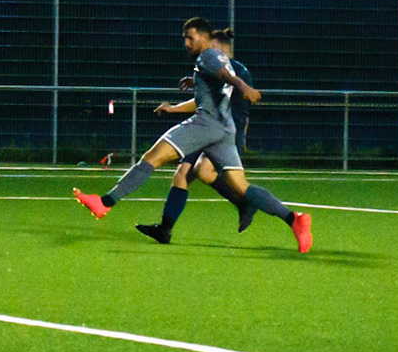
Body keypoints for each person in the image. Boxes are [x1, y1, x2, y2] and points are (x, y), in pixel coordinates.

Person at [74, 17, 311, 253]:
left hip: (205, 124)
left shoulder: (207, 56)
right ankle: (294, 219)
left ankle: (105, 202)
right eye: (184, 38)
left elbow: (227, 78)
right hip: (224, 128)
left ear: (205, 37)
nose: (186, 43)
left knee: (153, 156)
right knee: (240, 187)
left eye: (190, 37)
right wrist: (198, 81)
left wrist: (243, 87)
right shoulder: (219, 58)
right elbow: (218, 81)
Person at [134, 26, 255, 244]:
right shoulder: (218, 68)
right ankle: (165, 229)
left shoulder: (233, 71)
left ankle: (250, 204)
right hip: (207, 128)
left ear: (221, 48)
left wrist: (175, 107)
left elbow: (217, 105)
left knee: (205, 171)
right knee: (183, 174)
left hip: (221, 132)